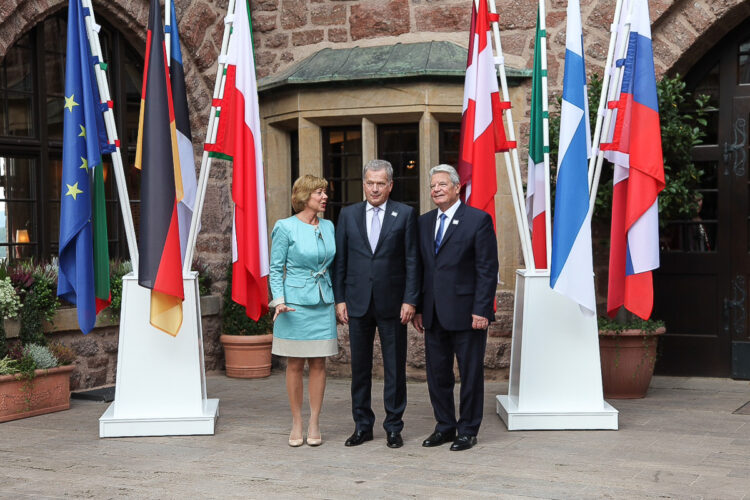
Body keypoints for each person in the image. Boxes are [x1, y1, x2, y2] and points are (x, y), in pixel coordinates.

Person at [412, 164, 498, 451]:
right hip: (433, 314)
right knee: (438, 374)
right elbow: (422, 269)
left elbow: (487, 269)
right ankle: (445, 426)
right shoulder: (423, 222)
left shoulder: (477, 220)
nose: (436, 189)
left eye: (442, 184)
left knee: (470, 374)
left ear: (457, 187)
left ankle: (468, 430)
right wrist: (420, 307)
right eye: (432, 185)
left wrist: (482, 309)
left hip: (467, 314)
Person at [333, 159, 418, 449]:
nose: (375, 188)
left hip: (394, 305)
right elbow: (341, 261)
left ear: (390, 185)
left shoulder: (405, 214)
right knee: (360, 368)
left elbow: (412, 260)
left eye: (381, 183)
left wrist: (410, 299)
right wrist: (339, 299)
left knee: (395, 368)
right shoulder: (347, 215)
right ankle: (362, 426)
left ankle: (394, 427)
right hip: (357, 303)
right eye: (370, 182)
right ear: (363, 183)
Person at [269, 175, 338, 447]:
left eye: (325, 192)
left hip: (323, 302)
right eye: (319, 192)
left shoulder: (330, 226)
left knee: (320, 363)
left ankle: (314, 421)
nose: (324, 197)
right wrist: (279, 300)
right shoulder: (284, 227)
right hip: (293, 305)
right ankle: (297, 421)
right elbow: (276, 269)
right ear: (304, 196)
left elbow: (334, 265)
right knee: (295, 364)